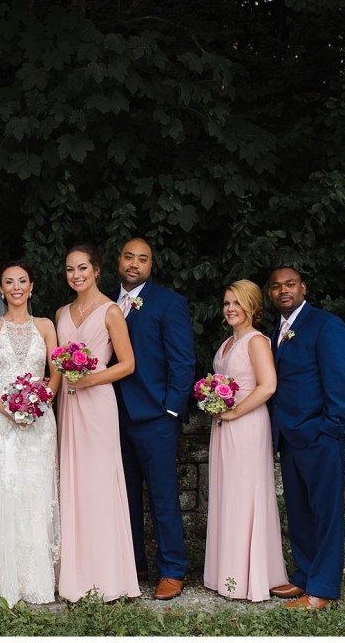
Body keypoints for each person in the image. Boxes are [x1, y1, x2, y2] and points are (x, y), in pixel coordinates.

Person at [0, 261, 61, 606]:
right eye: (9, 282)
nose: (17, 287)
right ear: (1, 289)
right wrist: (8, 410)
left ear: (32, 287)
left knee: (36, 493)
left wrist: (39, 404)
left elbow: (56, 373)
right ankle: (2, 578)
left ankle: (37, 578)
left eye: (22, 281)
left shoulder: (47, 326)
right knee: (5, 488)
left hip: (40, 419)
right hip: (1, 418)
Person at [267, 266, 345, 611]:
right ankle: (304, 576)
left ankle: (322, 590)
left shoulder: (326, 324)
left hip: (320, 436)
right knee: (299, 512)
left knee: (326, 514)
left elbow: (340, 382)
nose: (283, 291)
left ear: (303, 287)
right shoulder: (278, 329)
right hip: (289, 437)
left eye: (290, 284)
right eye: (276, 287)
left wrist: (329, 429)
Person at [54, 243, 140, 603]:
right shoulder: (60, 311)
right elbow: (55, 364)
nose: (76, 275)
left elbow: (127, 364)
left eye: (83, 269)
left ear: (97, 271)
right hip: (67, 405)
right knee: (71, 481)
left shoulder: (111, 311)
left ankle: (107, 575)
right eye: (71, 269)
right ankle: (73, 573)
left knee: (99, 482)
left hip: (97, 402)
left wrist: (90, 378)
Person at [110, 237, 195, 600]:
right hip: (114, 416)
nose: (135, 264)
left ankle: (172, 569)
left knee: (162, 496)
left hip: (156, 416)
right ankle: (134, 563)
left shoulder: (168, 303)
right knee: (123, 496)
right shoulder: (105, 304)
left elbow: (183, 360)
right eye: (129, 256)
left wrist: (171, 410)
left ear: (151, 265)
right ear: (118, 261)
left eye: (142, 259)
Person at [202, 279, 288, 602]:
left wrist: (234, 412)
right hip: (224, 425)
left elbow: (267, 386)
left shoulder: (256, 342)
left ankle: (249, 574)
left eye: (238, 303)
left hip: (247, 424)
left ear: (253, 307)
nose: (231, 309)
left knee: (245, 494)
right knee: (227, 493)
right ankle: (228, 572)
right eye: (227, 303)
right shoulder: (227, 343)